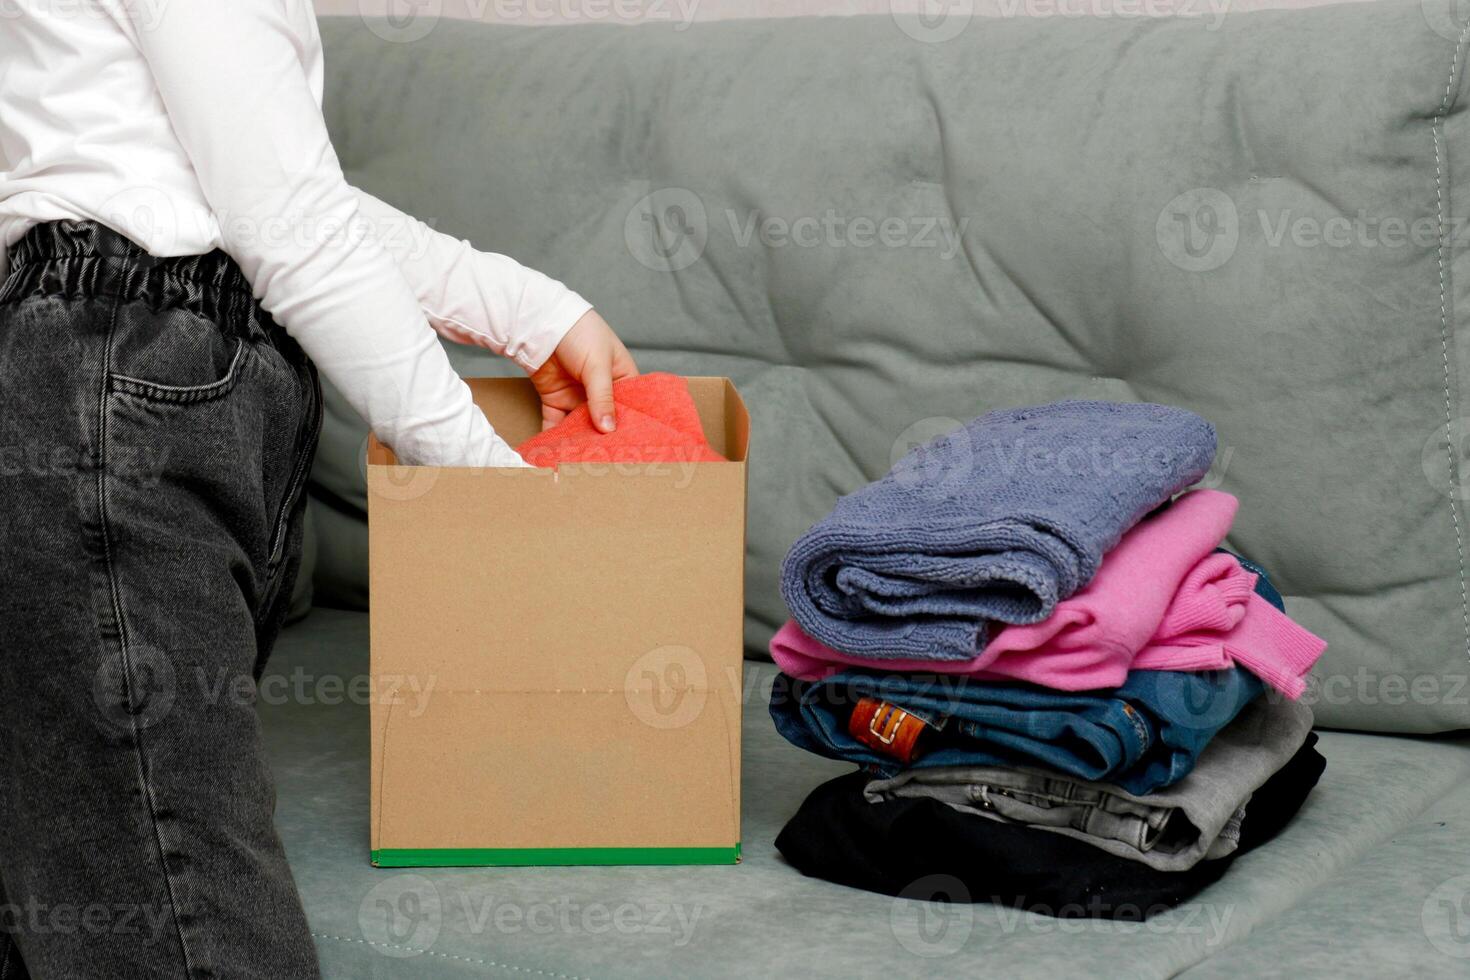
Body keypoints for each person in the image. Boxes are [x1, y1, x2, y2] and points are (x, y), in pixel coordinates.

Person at [0, 2, 637, 976]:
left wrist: (524, 308)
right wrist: (500, 492)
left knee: (96, 872)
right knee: (187, 918)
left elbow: (273, 188)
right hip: (116, 386)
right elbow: (288, 224)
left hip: (138, 382)